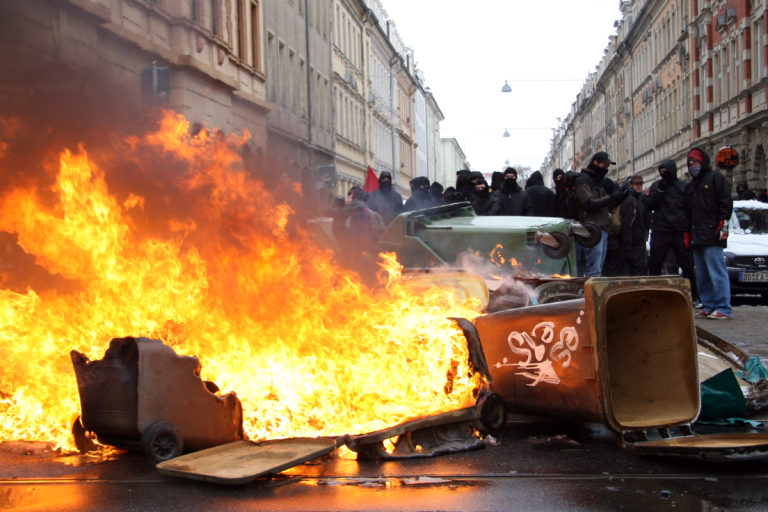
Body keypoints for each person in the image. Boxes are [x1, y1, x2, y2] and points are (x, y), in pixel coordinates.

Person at [684, 147, 733, 319]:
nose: (692, 165)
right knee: (702, 273)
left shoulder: (715, 178)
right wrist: (687, 233)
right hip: (697, 234)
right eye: (690, 162)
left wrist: (723, 224)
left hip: (712, 233)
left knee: (716, 271)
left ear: (703, 162)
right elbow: (688, 212)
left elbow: (725, 202)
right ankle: (709, 304)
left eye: (695, 161)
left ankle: (723, 307)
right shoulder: (691, 186)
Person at [646, 159, 699, 304]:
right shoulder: (657, 186)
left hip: (678, 231)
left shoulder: (683, 187)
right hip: (661, 231)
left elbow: (690, 208)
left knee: (687, 265)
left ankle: (694, 295)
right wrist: (658, 192)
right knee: (655, 264)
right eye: (661, 171)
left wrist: (687, 228)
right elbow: (649, 204)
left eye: (666, 171)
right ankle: (652, 293)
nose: (664, 174)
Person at [573, 151, 628, 277]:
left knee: (597, 269)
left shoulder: (598, 181)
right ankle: (587, 295)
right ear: (595, 163)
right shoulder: (583, 180)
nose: (606, 169)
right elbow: (589, 203)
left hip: (601, 229)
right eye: (604, 165)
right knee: (593, 271)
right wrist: (612, 197)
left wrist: (619, 197)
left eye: (608, 166)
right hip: (591, 230)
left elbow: (604, 207)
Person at [620, 175, 650, 275]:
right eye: (637, 184)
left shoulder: (640, 199)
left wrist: (646, 233)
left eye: (641, 184)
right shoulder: (630, 201)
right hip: (632, 244)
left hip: (638, 242)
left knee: (639, 271)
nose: (639, 186)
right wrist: (628, 243)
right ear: (631, 185)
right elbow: (627, 223)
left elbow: (646, 219)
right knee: (635, 272)